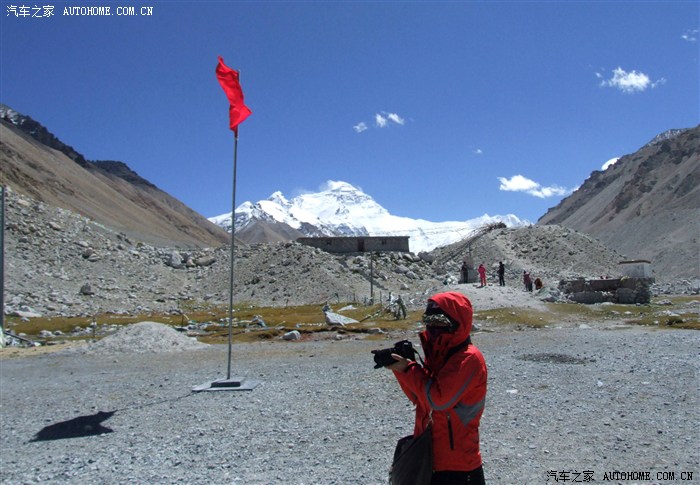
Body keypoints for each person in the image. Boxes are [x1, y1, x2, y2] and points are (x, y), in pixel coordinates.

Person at [387, 291, 487, 485]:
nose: (433, 331)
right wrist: (400, 369)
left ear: (457, 324)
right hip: (431, 461)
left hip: (459, 468)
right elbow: (419, 397)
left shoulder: (468, 358)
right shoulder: (438, 356)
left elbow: (438, 400)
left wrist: (409, 369)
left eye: (439, 324)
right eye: (429, 324)